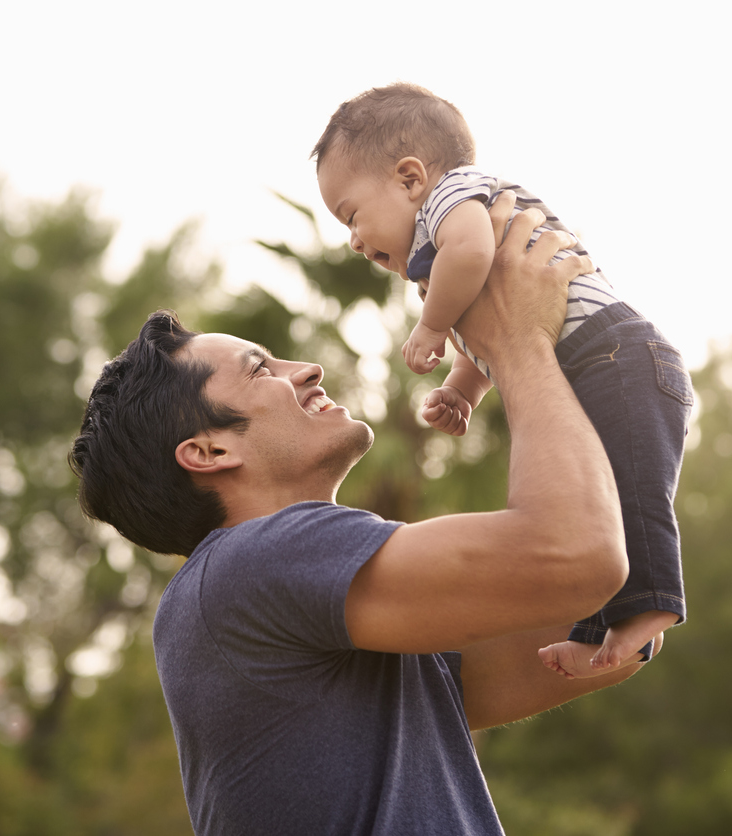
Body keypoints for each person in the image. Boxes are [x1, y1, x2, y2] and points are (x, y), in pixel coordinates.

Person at [68, 197, 661, 835]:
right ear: (210, 451)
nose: (307, 369)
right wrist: (517, 341)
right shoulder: (256, 561)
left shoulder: (309, 613)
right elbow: (579, 556)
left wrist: (593, 358)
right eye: (261, 369)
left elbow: (606, 624)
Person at [313, 82, 693, 678]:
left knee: (632, 491)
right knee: (594, 504)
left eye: (352, 215)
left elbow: (472, 255)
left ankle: (651, 610)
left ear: (411, 178)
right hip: (591, 362)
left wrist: (431, 328)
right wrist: (464, 387)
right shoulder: (435, 244)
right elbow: (488, 332)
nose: (354, 240)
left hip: (616, 354)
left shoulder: (452, 199)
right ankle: (601, 629)